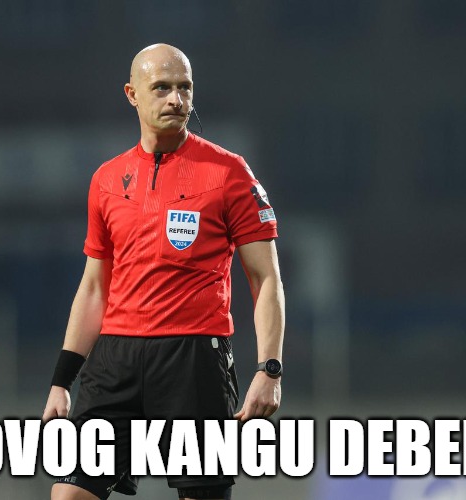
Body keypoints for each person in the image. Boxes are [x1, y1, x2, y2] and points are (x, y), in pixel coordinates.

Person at [43, 43, 285, 500]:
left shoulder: (229, 172)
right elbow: (94, 288)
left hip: (193, 358)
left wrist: (269, 370)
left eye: (184, 88)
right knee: (68, 494)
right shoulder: (107, 179)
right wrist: (61, 381)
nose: (176, 99)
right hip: (114, 359)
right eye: (161, 88)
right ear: (132, 94)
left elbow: (266, 278)